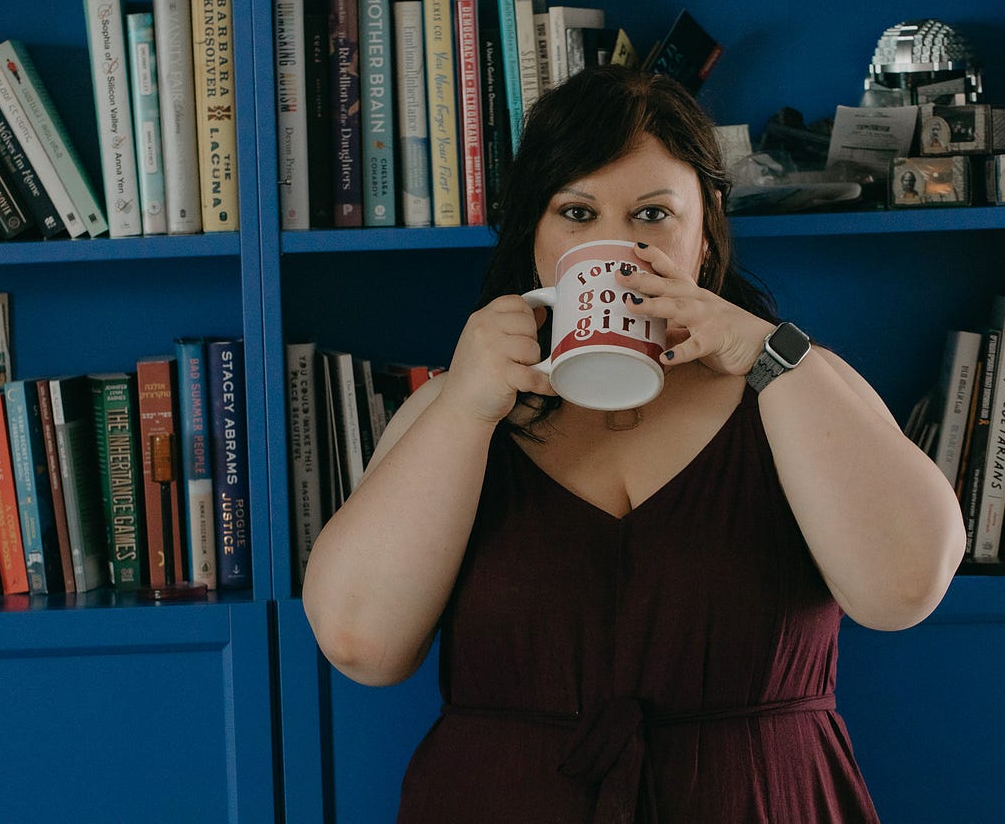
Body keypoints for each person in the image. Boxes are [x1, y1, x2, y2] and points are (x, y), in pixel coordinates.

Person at [301, 65, 965, 823]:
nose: (615, 243)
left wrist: (770, 356)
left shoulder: (796, 377)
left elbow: (903, 591)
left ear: (707, 226)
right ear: (534, 236)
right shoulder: (451, 409)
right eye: (576, 213)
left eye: (652, 215)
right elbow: (361, 644)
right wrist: (464, 409)